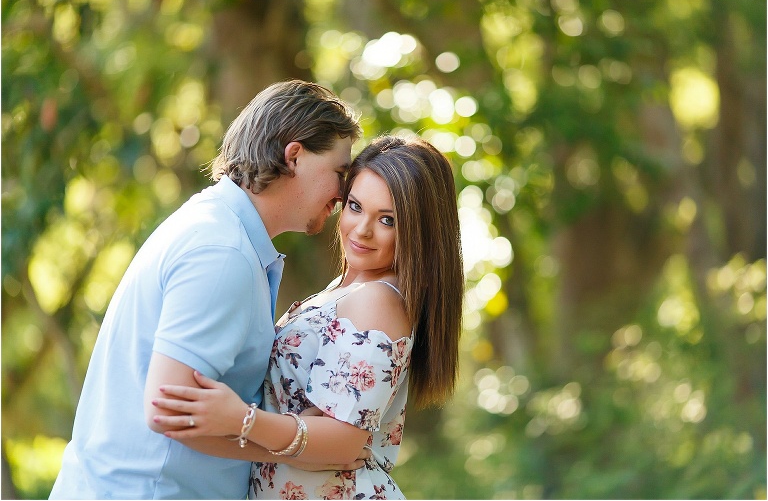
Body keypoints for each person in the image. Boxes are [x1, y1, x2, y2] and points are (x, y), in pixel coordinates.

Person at [50, 80, 364, 500]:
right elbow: (169, 411)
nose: (344, 195)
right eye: (340, 173)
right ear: (294, 157)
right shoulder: (223, 252)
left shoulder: (219, 230)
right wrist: (299, 450)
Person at [150, 135, 465, 499]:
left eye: (387, 220)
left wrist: (241, 420)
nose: (362, 229)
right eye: (355, 206)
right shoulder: (345, 291)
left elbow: (343, 441)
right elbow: (322, 429)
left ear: (419, 230)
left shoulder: (377, 300)